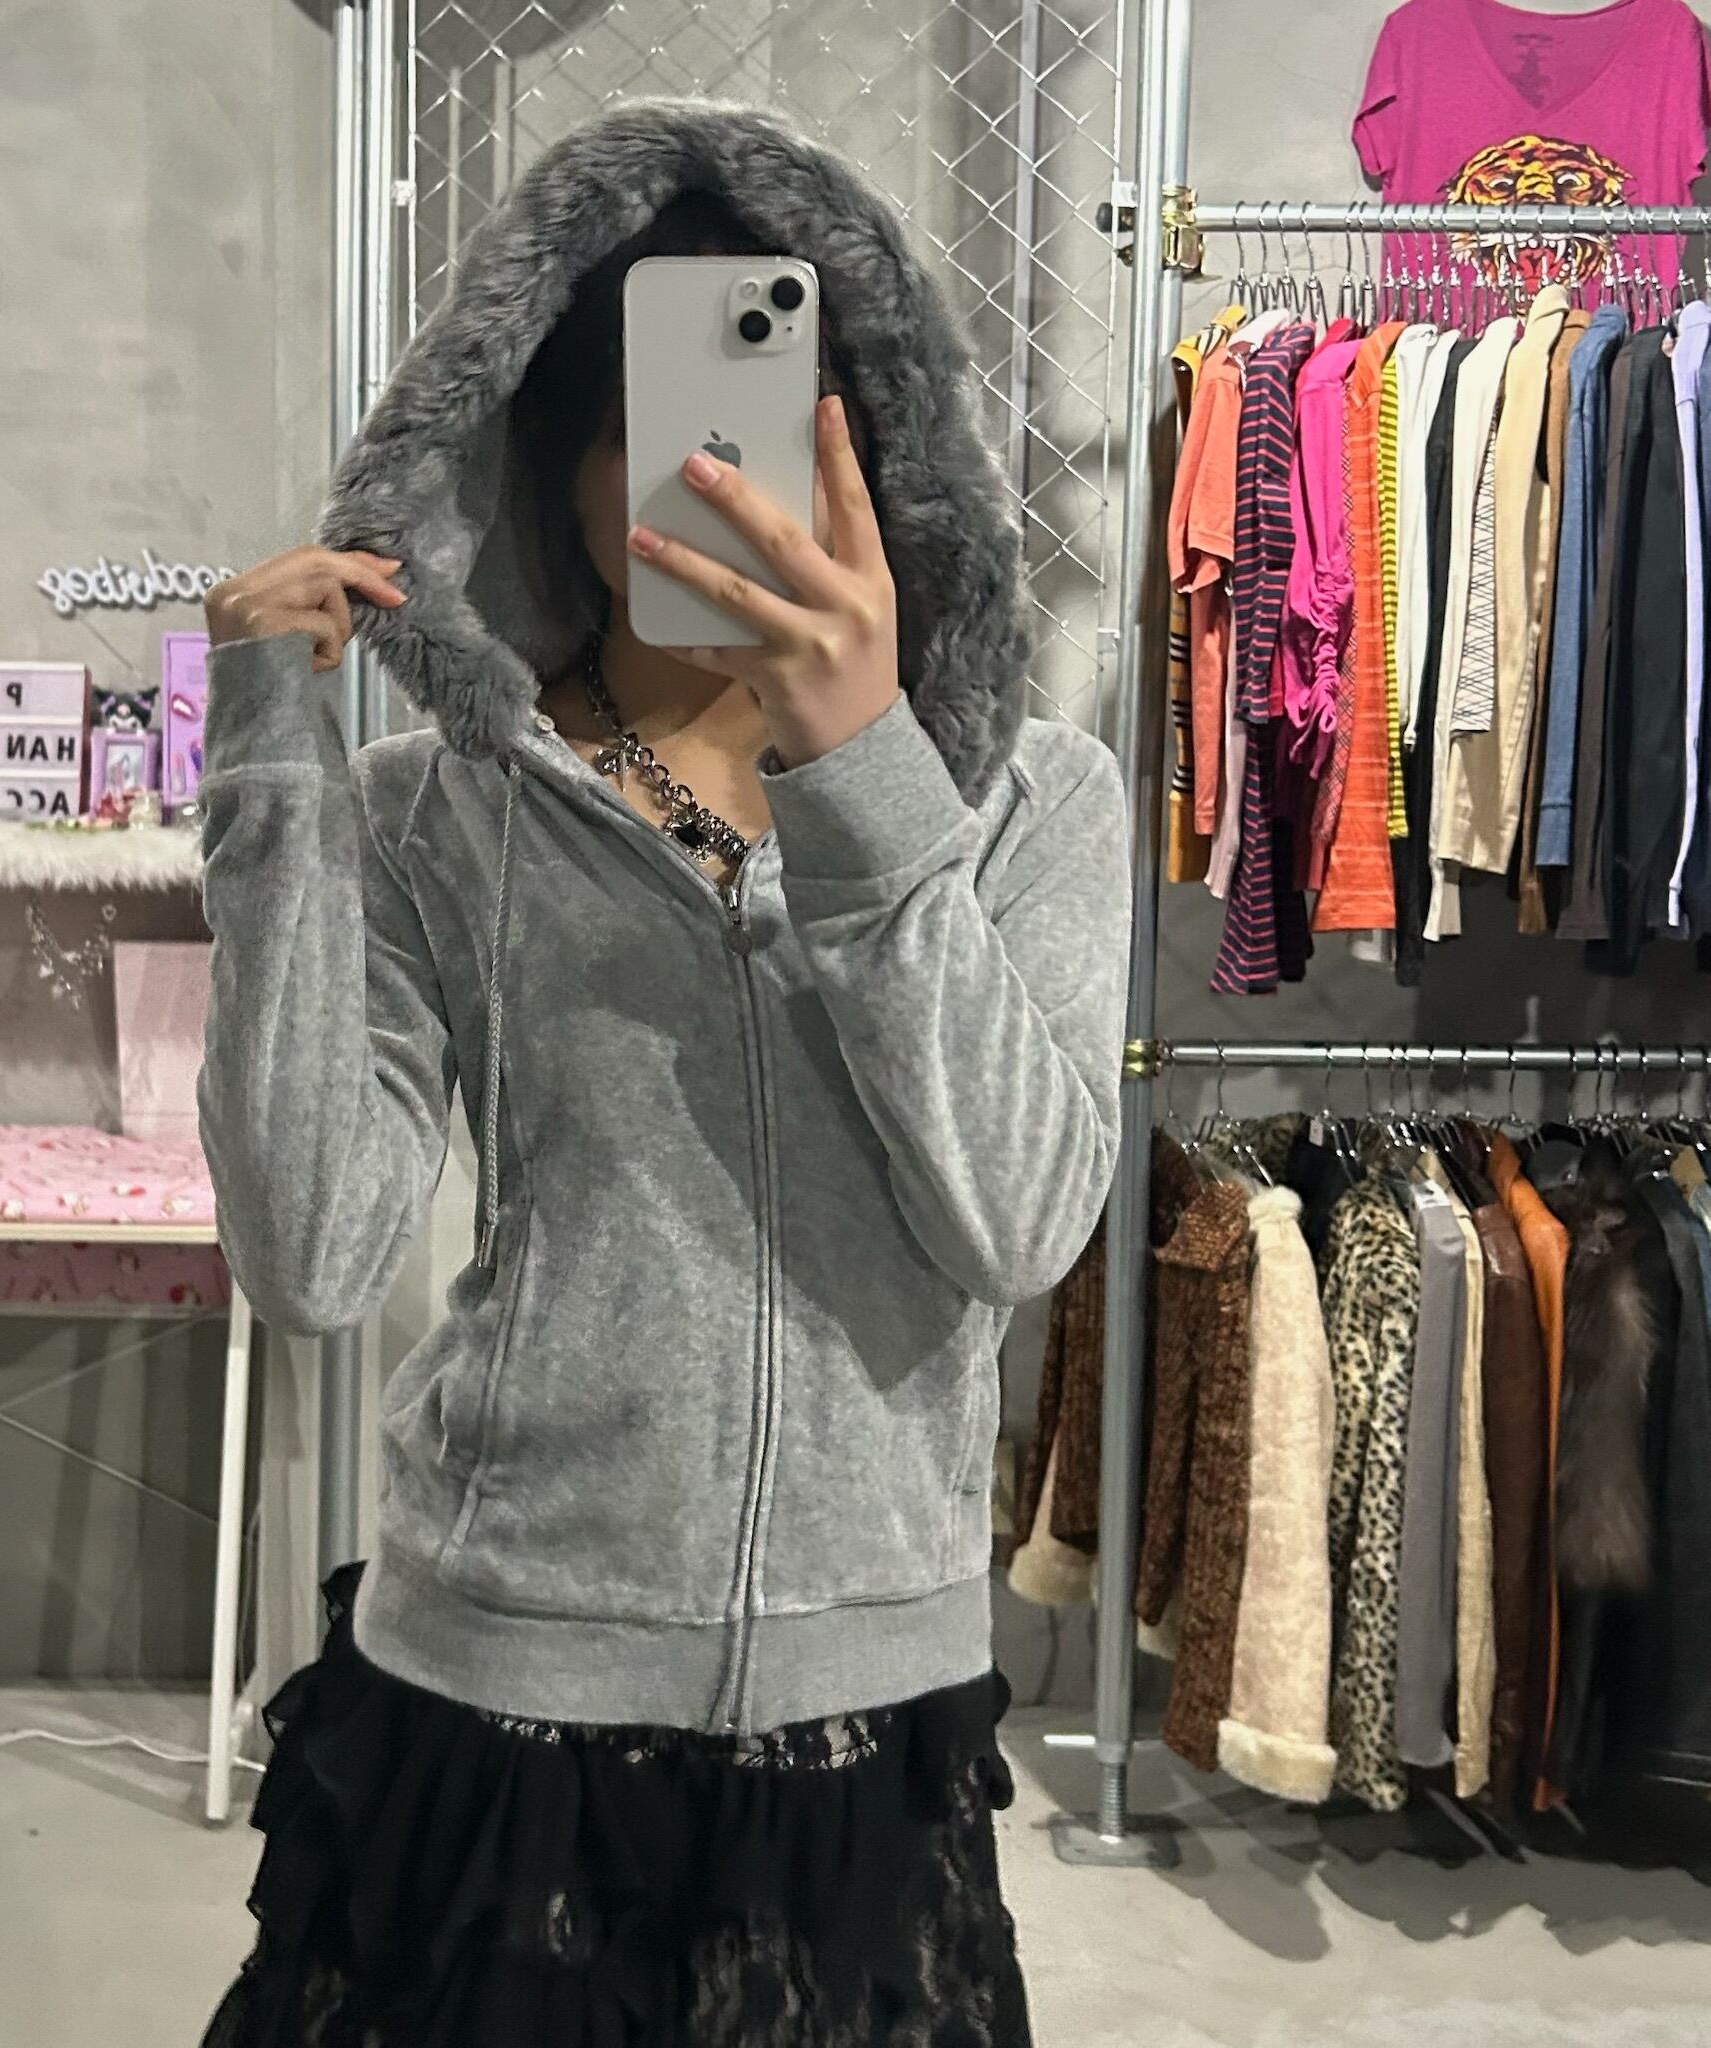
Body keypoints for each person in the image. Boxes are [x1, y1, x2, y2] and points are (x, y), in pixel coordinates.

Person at [195, 100, 1128, 2048]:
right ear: (553, 465)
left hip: (863, 1722)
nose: (721, 480)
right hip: (495, 1687)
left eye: (775, 424)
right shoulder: (437, 809)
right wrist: (273, 775)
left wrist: (865, 778)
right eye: (657, 427)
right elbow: (312, 1250)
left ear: (883, 457)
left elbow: (1022, 1223)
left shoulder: (1028, 804)